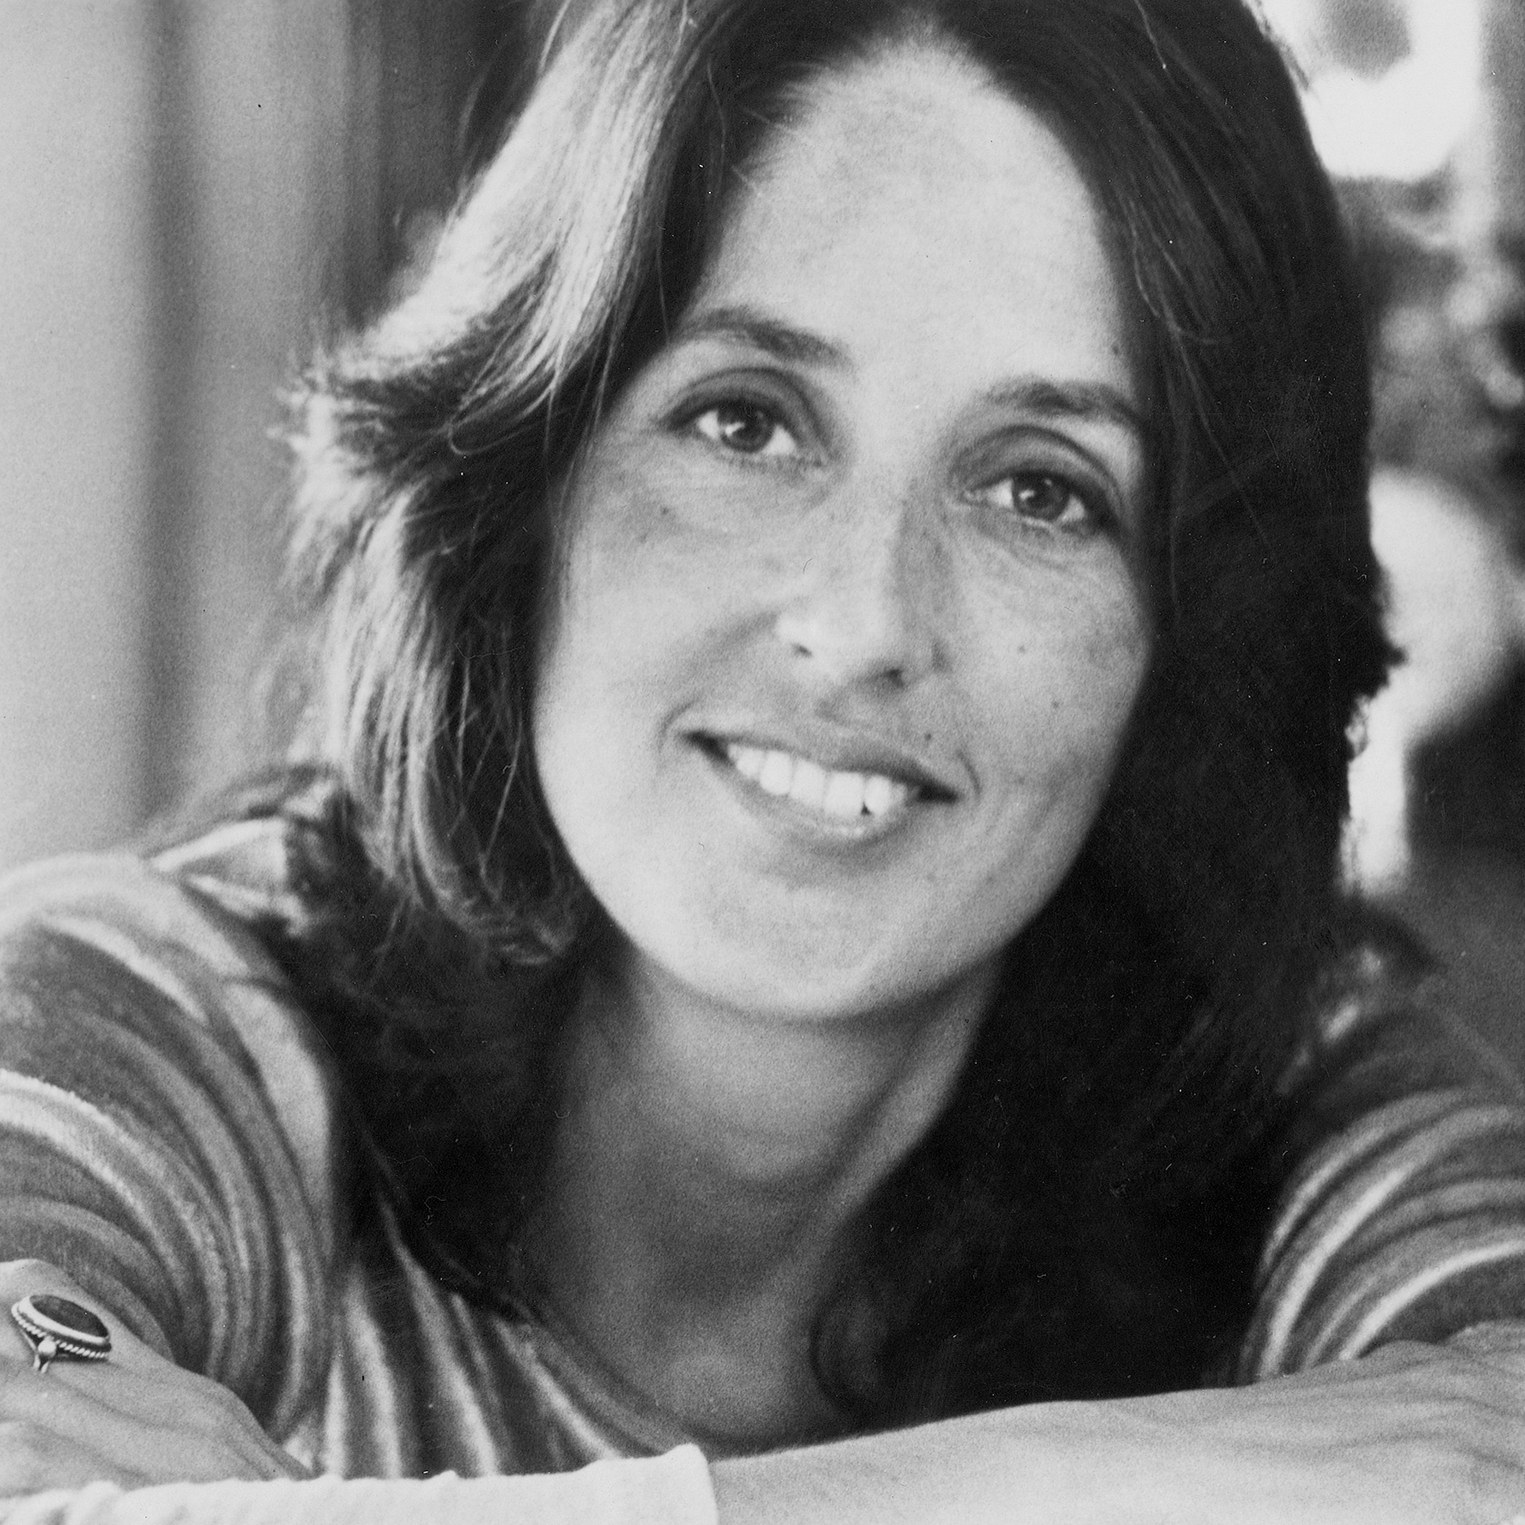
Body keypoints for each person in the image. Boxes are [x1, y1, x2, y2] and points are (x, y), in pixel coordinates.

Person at [5, 0, 1525, 1520]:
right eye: (746, 422)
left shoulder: (1305, 1097)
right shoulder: (161, 1007)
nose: (863, 626)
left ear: (1186, 644)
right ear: (525, 476)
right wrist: (1063, 1477)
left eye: (1039, 491)